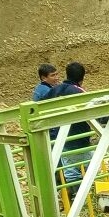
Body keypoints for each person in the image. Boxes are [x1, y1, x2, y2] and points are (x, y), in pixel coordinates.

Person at [46, 62, 92, 199]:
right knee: (87, 167)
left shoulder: (55, 90)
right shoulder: (78, 92)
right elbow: (92, 109)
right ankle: (83, 199)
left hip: (59, 137)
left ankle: (74, 199)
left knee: (70, 170)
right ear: (82, 78)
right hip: (79, 137)